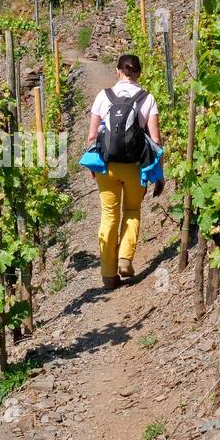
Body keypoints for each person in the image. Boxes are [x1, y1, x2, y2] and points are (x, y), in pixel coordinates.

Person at [86, 54, 161, 289]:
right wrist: (158, 175)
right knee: (131, 210)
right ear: (139, 73)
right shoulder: (147, 99)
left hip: (107, 166)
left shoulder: (103, 96)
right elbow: (156, 141)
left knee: (109, 215)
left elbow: (91, 136)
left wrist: (94, 165)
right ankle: (125, 259)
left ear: (118, 70)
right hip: (135, 167)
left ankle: (108, 275)